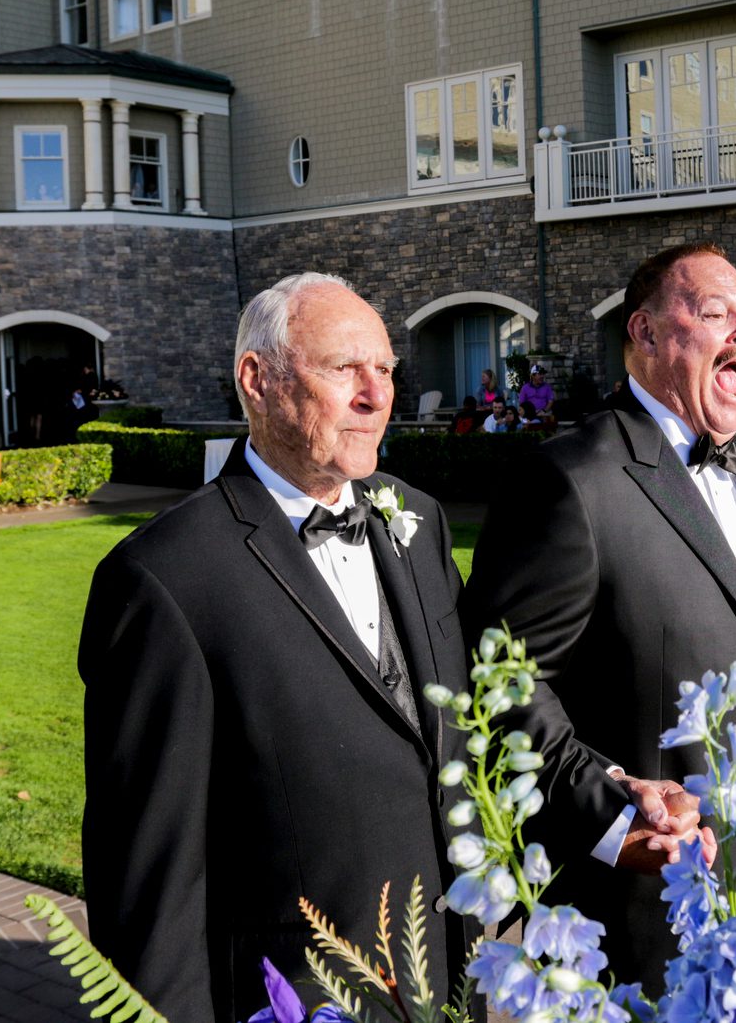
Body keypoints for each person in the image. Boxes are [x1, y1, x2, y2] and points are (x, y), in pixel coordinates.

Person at [459, 242, 736, 992]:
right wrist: (616, 814)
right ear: (645, 335)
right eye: (717, 313)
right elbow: (501, 686)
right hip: (654, 907)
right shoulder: (569, 481)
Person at [77, 273, 481, 1023]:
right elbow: (148, 888)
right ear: (257, 380)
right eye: (344, 369)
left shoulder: (417, 525)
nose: (376, 395)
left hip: (447, 981)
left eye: (386, 370)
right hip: (293, 998)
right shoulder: (162, 580)